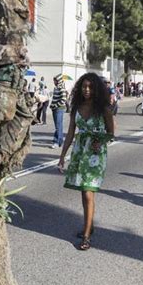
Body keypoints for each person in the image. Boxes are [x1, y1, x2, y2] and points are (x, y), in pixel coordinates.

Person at [58, 73, 114, 251]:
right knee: (83, 192)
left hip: (95, 155)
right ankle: (88, 225)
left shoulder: (103, 108)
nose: (87, 90)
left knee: (89, 193)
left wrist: (101, 141)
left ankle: (87, 236)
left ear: (96, 88)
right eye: (84, 86)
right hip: (80, 151)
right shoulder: (76, 107)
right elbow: (70, 134)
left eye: (90, 87)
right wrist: (62, 157)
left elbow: (111, 132)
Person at [50, 74, 67, 148]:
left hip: (59, 108)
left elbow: (63, 100)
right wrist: (52, 105)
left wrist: (55, 105)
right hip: (55, 108)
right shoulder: (56, 88)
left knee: (58, 125)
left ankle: (57, 141)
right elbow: (55, 99)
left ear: (59, 80)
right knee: (58, 125)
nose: (54, 81)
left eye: (55, 80)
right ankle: (59, 140)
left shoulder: (61, 88)